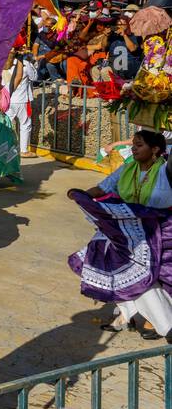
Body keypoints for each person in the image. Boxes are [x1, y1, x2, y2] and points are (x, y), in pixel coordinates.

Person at [69, 129, 172, 340]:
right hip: (127, 228)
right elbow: (102, 188)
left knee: (146, 273)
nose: (133, 148)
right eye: (133, 144)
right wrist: (80, 195)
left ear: (155, 150)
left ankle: (158, 322)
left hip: (161, 230)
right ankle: (129, 316)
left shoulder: (166, 170)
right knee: (108, 260)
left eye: (139, 145)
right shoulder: (128, 168)